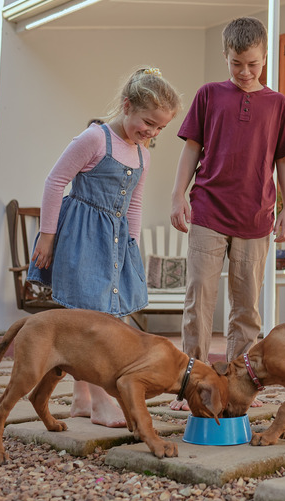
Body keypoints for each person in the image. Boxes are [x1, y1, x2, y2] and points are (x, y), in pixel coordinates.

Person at [27, 67, 181, 427]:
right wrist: (47, 236)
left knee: (100, 318)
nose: (152, 132)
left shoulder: (143, 155)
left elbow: (136, 204)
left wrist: (131, 247)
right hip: (82, 240)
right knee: (96, 324)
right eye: (148, 122)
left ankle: (81, 400)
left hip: (115, 245)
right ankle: (101, 401)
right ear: (127, 105)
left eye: (160, 128)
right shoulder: (95, 139)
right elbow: (55, 182)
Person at [169, 17, 285, 410]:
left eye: (253, 64)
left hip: (256, 218)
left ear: (265, 59)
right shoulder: (209, 95)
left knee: (246, 308)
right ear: (225, 56)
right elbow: (191, 147)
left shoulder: (278, 105)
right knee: (199, 299)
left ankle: (240, 385)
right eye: (236, 63)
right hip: (208, 210)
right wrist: (178, 195)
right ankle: (191, 384)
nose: (245, 72)